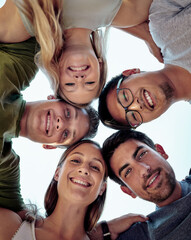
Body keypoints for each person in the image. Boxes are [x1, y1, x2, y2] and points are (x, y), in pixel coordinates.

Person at [0, 38, 99, 212]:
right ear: (53, 97)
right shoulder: (19, 66)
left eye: (67, 134)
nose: (61, 123)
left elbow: (24, 223)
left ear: (50, 146)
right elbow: (41, 17)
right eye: (68, 113)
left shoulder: (6, 166)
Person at [1, 0, 161, 106]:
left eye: (69, 85)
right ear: (100, 66)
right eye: (89, 83)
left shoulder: (23, 26)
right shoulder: (130, 14)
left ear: (56, 71)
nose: (79, 79)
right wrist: (148, 35)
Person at [0, 140, 147, 240]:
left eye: (95, 167)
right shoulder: (10, 226)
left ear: (102, 188)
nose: (83, 169)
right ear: (57, 173)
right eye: (76, 160)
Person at [98, 0, 191, 129]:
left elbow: (93, 9)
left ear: (131, 72)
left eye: (125, 97)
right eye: (134, 117)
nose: (137, 106)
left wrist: (145, 35)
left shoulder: (164, 27)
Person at [98, 129, 191, 239]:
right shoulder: (140, 235)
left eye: (142, 154)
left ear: (160, 151)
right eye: (128, 171)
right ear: (128, 191)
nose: (143, 170)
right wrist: (103, 229)